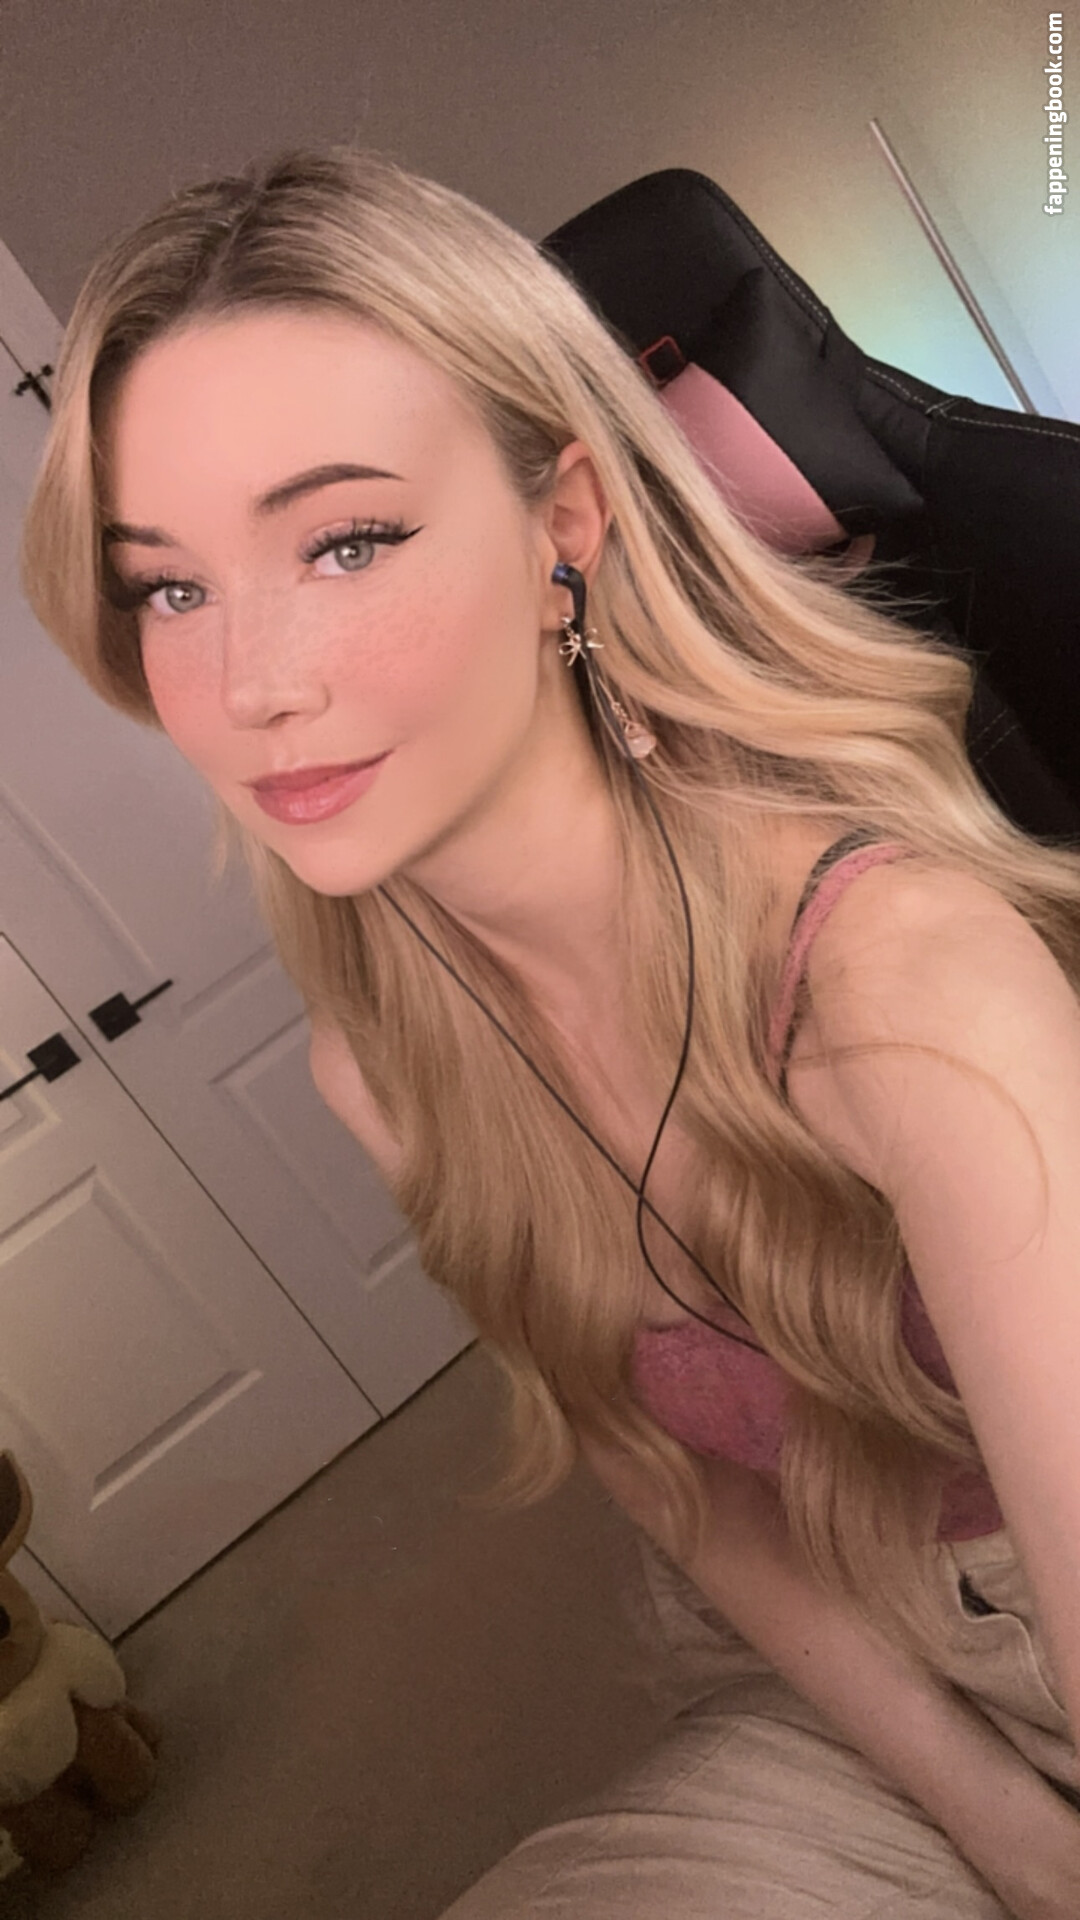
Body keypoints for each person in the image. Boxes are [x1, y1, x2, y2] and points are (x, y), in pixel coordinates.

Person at [19, 142, 1080, 1917]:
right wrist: (992, 1822)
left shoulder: (898, 982)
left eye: (347, 541)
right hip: (847, 1658)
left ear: (561, 530)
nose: (254, 683)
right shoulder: (387, 1067)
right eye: (171, 588)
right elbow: (679, 1487)